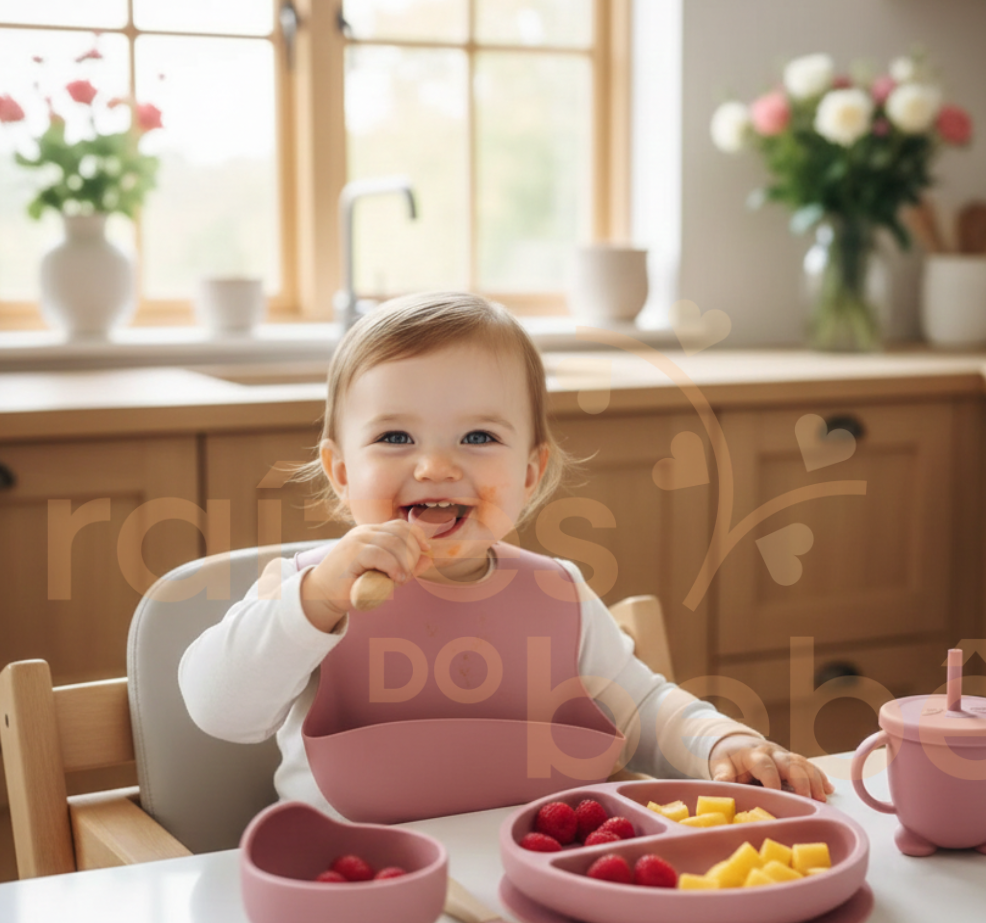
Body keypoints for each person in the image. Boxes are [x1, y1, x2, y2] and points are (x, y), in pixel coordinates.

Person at [179, 292, 833, 818]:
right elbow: (218, 710)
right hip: (349, 889)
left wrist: (724, 742)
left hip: (534, 885)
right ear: (341, 472)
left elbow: (643, 711)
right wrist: (315, 600)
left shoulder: (559, 595)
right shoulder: (305, 593)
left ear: (530, 471)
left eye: (478, 436)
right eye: (396, 436)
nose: (436, 466)